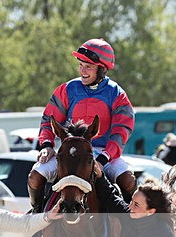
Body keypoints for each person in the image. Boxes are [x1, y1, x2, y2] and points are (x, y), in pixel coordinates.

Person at [28, 38, 136, 210]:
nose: (83, 71)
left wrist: (102, 159)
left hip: (104, 154)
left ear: (101, 69)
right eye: (80, 65)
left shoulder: (117, 94)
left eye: (88, 67)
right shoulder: (67, 89)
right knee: (35, 176)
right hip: (70, 153)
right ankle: (37, 213)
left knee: (128, 179)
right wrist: (47, 145)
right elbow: (49, 118)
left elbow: (122, 130)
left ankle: (134, 222)